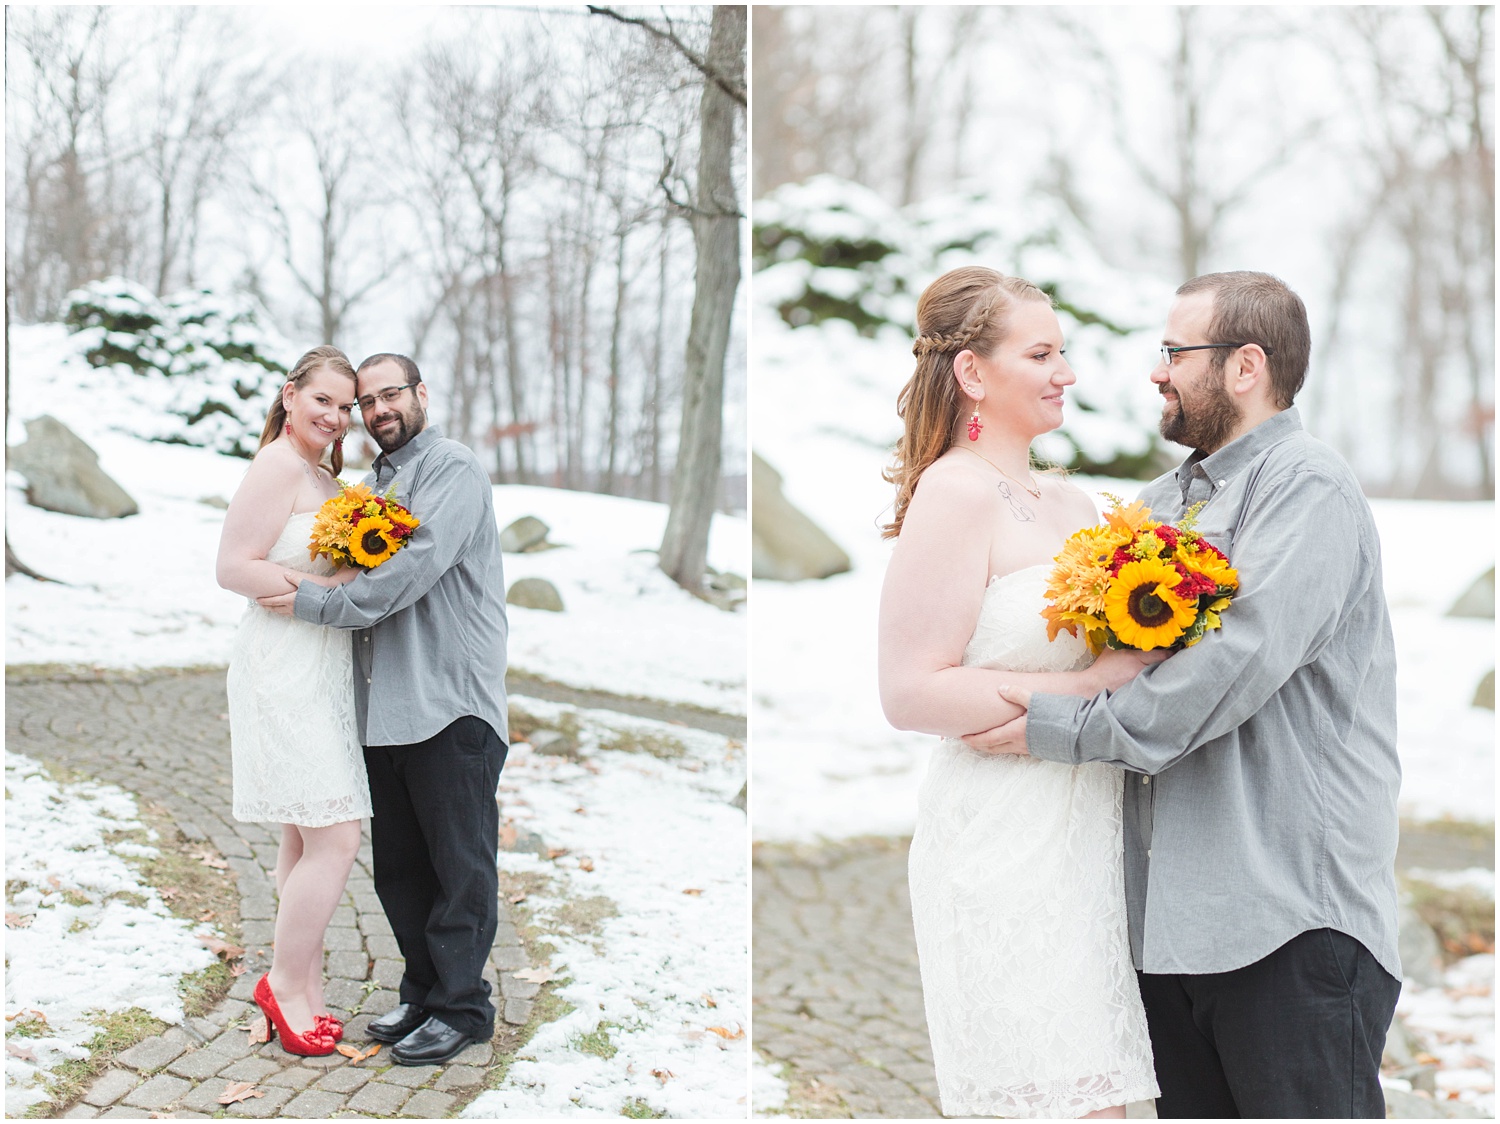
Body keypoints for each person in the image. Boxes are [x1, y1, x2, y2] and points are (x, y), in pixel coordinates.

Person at [968, 271, 1402, 1119]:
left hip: (1288, 922)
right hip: (1163, 933)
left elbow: (1229, 667)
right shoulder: (1157, 506)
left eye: (1175, 352)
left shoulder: (1307, 486)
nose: (1156, 372)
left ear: (1245, 366)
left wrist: (1055, 727)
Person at [878, 267, 1162, 1119]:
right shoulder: (954, 492)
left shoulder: (1075, 503)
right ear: (973, 372)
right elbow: (911, 692)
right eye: (1040, 353)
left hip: (1096, 846)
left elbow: (1134, 656)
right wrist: (1083, 688)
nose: (1065, 372)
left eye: (1064, 353)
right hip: (1001, 845)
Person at [258, 352, 509, 1067]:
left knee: (460, 865)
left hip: (450, 702)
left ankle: (463, 1008)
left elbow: (410, 570)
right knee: (401, 866)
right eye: (365, 402)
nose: (376, 411)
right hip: (385, 707)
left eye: (389, 394)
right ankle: (423, 991)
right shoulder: (376, 484)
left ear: (421, 393)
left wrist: (312, 601)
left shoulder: (453, 468)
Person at [216, 345, 368, 1057]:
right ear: (289, 394)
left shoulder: (321, 472)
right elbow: (231, 567)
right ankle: (280, 981)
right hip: (282, 666)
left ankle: (302, 986)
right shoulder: (277, 465)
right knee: (337, 835)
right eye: (323, 402)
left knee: (301, 834)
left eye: (346, 408)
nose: (335, 417)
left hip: (322, 664)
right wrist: (317, 595)